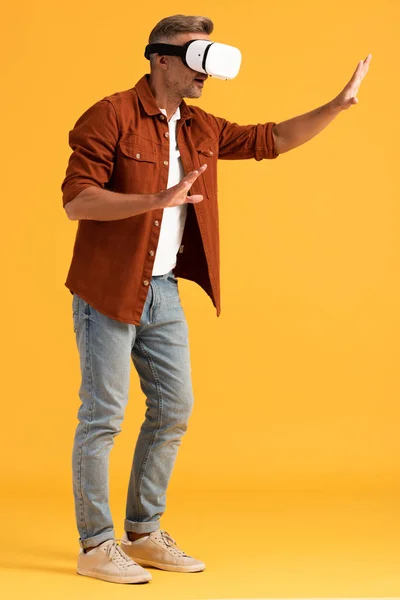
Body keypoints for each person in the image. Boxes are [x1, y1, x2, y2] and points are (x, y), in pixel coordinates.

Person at [61, 13, 371, 585]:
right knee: (103, 417)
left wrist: (335, 106)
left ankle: (143, 532)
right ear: (159, 59)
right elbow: (77, 202)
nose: (206, 68)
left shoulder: (200, 125)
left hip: (163, 292)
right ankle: (95, 545)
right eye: (194, 55)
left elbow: (271, 139)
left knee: (174, 410)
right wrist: (159, 197)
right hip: (107, 287)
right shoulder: (110, 115)